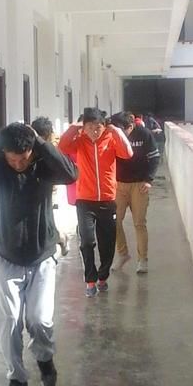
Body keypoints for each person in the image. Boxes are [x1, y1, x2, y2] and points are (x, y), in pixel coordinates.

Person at [0, 122, 77, 386]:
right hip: (7, 257)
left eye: (23, 159)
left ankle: (45, 358)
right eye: (12, 159)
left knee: (39, 319)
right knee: (10, 321)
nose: (17, 165)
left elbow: (70, 174)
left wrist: (40, 143)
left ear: (32, 151)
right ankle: (17, 378)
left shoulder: (43, 166)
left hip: (42, 257)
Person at [58, 107, 133, 296]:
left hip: (107, 200)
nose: (94, 131)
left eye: (98, 127)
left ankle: (102, 277)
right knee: (87, 241)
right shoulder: (80, 141)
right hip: (85, 201)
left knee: (107, 243)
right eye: (90, 127)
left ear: (104, 126)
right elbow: (62, 147)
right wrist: (75, 127)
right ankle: (90, 280)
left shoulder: (111, 139)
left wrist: (116, 131)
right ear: (84, 127)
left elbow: (128, 153)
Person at [109, 112, 160, 274]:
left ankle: (142, 259)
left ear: (130, 127)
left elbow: (154, 157)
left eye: (120, 130)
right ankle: (123, 254)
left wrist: (148, 180)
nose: (117, 133)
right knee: (114, 221)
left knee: (139, 223)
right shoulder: (113, 135)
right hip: (119, 185)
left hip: (139, 185)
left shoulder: (144, 134)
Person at [31, 116, 69, 258]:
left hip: (49, 188)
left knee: (46, 221)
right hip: (36, 187)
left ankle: (60, 238)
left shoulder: (54, 145)